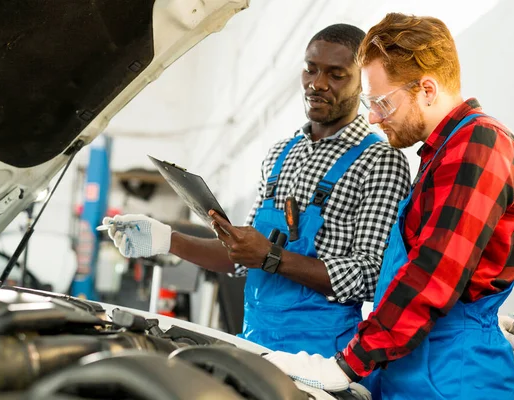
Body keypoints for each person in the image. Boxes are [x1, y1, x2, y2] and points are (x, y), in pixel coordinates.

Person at [264, 13, 514, 399]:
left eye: (382, 103)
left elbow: (432, 274)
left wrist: (345, 364)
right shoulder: (441, 153)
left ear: (426, 89)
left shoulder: (480, 145)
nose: (372, 117)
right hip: (417, 364)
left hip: (450, 380)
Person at [103, 24, 412, 358]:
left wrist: (272, 257)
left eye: (336, 75)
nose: (317, 84)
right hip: (255, 341)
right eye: (310, 69)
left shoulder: (380, 160)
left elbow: (371, 276)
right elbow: (242, 260)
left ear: (361, 82)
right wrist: (166, 239)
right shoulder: (281, 154)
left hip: (322, 356)